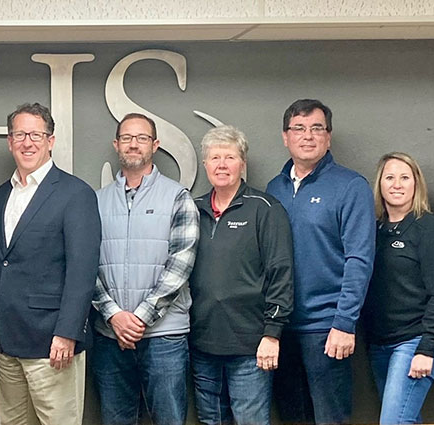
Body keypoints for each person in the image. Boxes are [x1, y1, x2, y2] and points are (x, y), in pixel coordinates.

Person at [0, 103, 101, 425]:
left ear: (51, 140)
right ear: (9, 141)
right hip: (5, 340)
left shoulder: (75, 193)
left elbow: (82, 272)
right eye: (20, 134)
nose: (27, 142)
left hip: (52, 342)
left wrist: (68, 332)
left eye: (35, 134)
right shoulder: (4, 194)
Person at [265, 99, 375, 424]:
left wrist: (344, 323)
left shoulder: (350, 186)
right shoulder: (275, 188)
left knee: (330, 419)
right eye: (299, 128)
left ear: (328, 137)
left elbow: (360, 259)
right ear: (286, 136)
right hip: (283, 328)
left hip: (327, 329)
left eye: (317, 128)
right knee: (292, 417)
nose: (308, 136)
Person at [91, 113, 198, 425]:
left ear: (155, 145)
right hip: (110, 337)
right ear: (116, 144)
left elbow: (181, 263)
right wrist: (113, 315)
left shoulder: (177, 197)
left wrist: (139, 319)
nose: (133, 144)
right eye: (126, 138)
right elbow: (87, 265)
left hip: (164, 336)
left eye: (141, 138)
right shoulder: (97, 201)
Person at [189, 125, 294, 425]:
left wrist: (272, 334)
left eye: (230, 157)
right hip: (202, 343)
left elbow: (281, 273)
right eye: (215, 157)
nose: (222, 164)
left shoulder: (266, 209)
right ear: (205, 164)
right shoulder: (192, 210)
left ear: (243, 163)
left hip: (251, 345)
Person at [362, 152, 434, 424]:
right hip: (380, 344)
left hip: (415, 341)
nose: (397, 184)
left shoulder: (430, 230)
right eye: (389, 177)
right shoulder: (373, 230)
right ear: (380, 184)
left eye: (405, 177)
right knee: (406, 419)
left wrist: (427, 349)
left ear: (416, 184)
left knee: (394, 421)